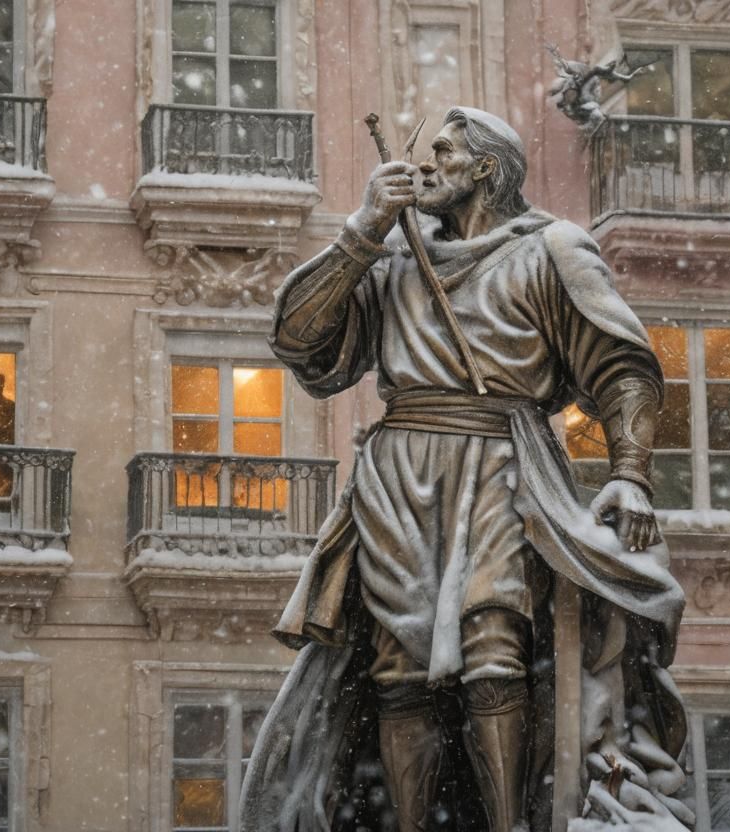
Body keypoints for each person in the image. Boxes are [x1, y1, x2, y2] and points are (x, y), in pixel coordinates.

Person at [242, 107, 690, 831]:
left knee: (494, 649)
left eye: (444, 152)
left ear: (487, 168)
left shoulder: (551, 248)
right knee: (400, 669)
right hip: (398, 472)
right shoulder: (391, 261)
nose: (426, 166)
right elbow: (300, 342)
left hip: (503, 462)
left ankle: (511, 821)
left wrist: (630, 473)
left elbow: (623, 366)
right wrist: (362, 230)